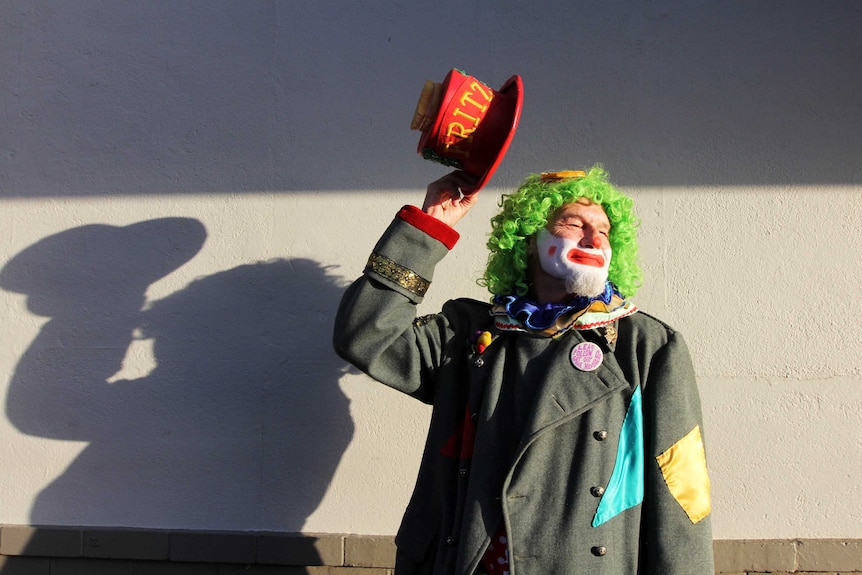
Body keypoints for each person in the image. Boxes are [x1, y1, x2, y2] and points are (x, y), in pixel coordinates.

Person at [334, 166, 714, 575]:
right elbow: (365, 337)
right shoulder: (472, 331)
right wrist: (428, 228)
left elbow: (681, 489)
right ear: (529, 240)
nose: (594, 238)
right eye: (574, 223)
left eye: (604, 230)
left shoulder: (648, 345)